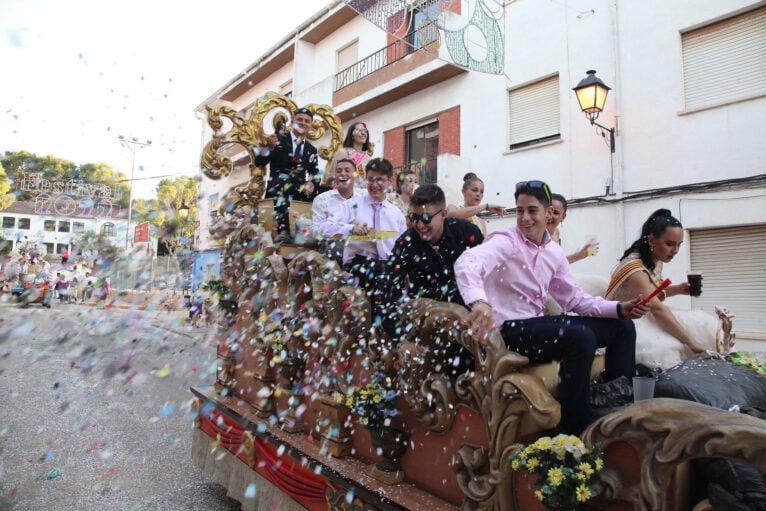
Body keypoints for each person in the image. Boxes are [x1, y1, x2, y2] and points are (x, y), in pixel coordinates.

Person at [455, 180, 649, 435]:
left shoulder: (553, 253)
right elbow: (467, 262)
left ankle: (616, 403)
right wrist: (479, 302)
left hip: (536, 325)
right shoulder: (506, 241)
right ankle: (574, 429)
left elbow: (575, 300)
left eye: (532, 210)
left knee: (622, 327)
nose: (524, 218)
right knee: (580, 337)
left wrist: (619, 308)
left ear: (548, 213)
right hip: (509, 330)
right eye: (520, 210)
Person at [605, 209, 721, 370]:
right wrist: (690, 341)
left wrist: (679, 290)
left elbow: (652, 295)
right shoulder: (635, 268)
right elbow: (656, 308)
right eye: (670, 244)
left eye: (679, 245)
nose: (675, 250)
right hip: (625, 323)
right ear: (652, 240)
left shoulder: (656, 261)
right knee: (670, 346)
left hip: (646, 316)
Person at [378, 184, 483, 355]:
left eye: (426, 218)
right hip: (427, 321)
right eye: (414, 217)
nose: (420, 225)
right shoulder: (407, 242)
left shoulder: (466, 232)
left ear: (443, 214)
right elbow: (384, 292)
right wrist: (401, 340)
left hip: (469, 315)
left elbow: (491, 272)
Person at [317, 157, 406, 293]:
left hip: (388, 266)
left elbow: (402, 246)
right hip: (359, 264)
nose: (374, 185)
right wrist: (351, 229)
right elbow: (323, 228)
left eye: (380, 180)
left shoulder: (396, 214)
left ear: (391, 181)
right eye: (371, 179)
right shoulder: (352, 205)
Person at [255, 107, 320, 240]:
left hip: (300, 188)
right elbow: (258, 162)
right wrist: (269, 147)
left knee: (327, 191)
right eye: (299, 119)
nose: (303, 123)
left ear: (311, 126)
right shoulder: (278, 139)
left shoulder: (311, 149)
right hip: (278, 186)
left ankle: (319, 232)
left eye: (307, 121)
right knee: (284, 182)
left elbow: (315, 172)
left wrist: (312, 183)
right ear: (292, 122)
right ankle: (282, 231)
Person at [312, 158, 365, 262]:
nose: (343, 174)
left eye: (347, 170)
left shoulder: (362, 200)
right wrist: (347, 229)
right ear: (334, 176)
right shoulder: (322, 199)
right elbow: (316, 231)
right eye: (339, 171)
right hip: (332, 248)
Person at [546, 193, 599, 264]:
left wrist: (579, 255)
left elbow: (557, 263)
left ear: (563, 217)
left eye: (555, 213)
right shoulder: (531, 235)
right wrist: (577, 256)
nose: (550, 216)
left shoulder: (556, 232)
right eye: (547, 211)